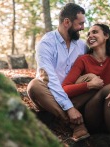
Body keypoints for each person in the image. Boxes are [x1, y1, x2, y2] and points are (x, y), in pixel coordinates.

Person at [27, 3, 90, 142]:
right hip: (48, 95)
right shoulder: (46, 43)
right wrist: (69, 108)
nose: (83, 28)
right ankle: (75, 124)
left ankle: (59, 119)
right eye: (80, 24)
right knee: (34, 86)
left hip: (72, 92)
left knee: (92, 79)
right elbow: (49, 79)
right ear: (67, 22)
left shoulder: (82, 46)